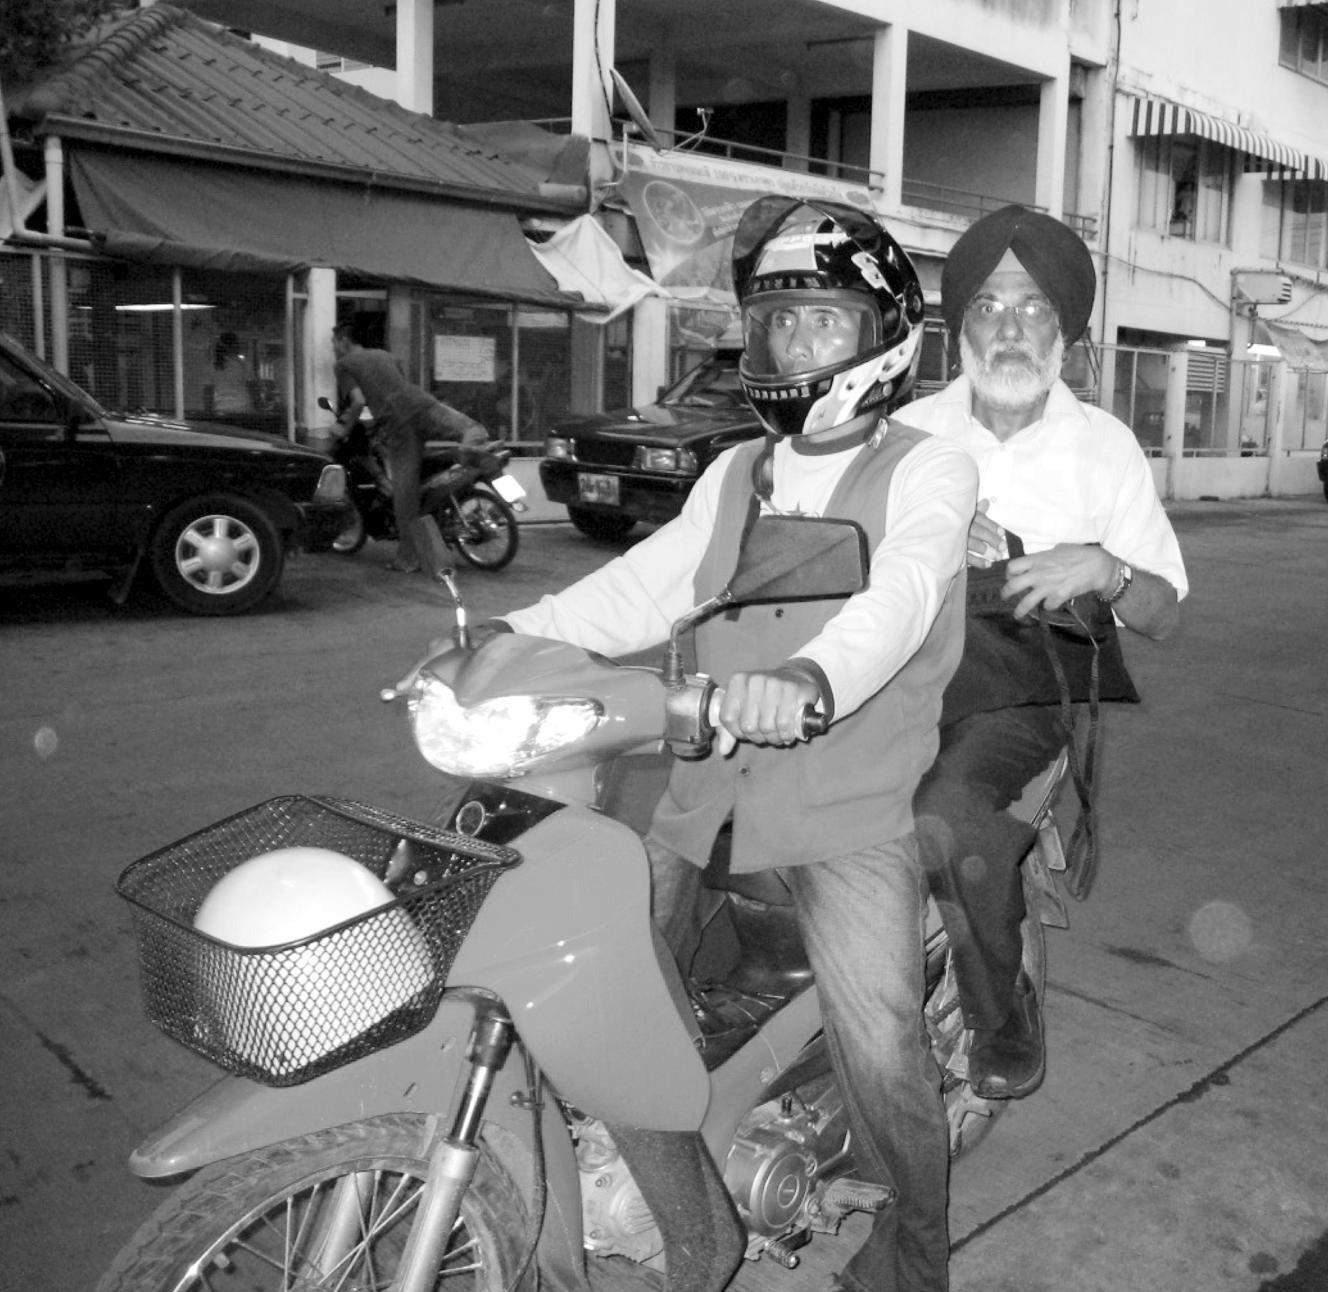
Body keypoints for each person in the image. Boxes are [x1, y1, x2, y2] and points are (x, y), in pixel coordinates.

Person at [490, 196, 976, 1292]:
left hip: (844, 810)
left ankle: (915, 1251)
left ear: (882, 335)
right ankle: (673, 1201)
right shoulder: (733, 474)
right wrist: (503, 640)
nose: (794, 342)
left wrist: (807, 680)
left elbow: (896, 599)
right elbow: (639, 590)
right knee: (573, 967)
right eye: (777, 321)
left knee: (883, 1046)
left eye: (821, 319)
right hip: (702, 790)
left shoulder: (928, 470)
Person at [900, 206, 1188, 1101]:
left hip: (1026, 689)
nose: (1011, 326)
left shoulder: (1103, 447)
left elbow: (1163, 615)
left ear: (1064, 327)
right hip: (901, 666)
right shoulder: (903, 433)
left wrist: (1103, 568)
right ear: (960, 328)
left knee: (942, 816)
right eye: (988, 305)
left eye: (1032, 307)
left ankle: (1000, 1009)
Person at [330, 323, 496, 573]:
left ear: (343, 340)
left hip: (399, 424)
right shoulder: (387, 356)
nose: (333, 348)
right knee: (473, 428)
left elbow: (358, 401)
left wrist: (342, 428)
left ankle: (408, 559)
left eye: (333, 343)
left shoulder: (344, 365)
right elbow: (396, 388)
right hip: (423, 405)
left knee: (405, 496)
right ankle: (468, 451)